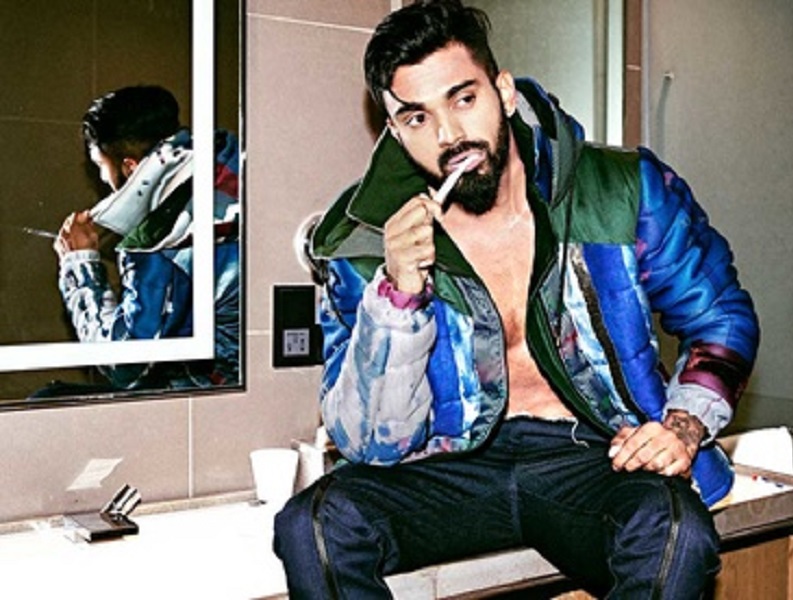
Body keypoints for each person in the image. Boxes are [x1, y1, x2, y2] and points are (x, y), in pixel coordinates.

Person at [274, 1, 759, 597]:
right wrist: (398, 296)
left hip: (591, 455)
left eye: (463, 99)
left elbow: (720, 317)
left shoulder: (621, 190)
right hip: (447, 467)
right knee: (314, 526)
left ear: (503, 92)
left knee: (675, 532)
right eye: (418, 118)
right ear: (395, 132)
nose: (449, 135)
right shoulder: (362, 243)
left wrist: (682, 426)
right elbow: (370, 443)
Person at [52, 85, 241, 391]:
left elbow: (126, 366)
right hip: (262, 381)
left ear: (130, 167)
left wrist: (80, 264)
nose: (102, 178)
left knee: (52, 395)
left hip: (219, 395)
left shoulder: (161, 239)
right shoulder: (232, 162)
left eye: (100, 166)